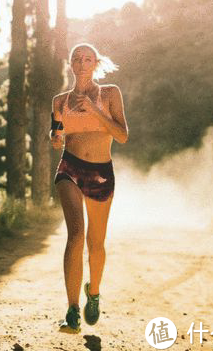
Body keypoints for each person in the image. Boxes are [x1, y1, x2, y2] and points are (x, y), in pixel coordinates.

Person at [51, 43, 128, 333]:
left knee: (96, 244)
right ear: (71, 64)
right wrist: (55, 139)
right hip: (69, 168)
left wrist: (95, 112)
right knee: (76, 234)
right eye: (77, 59)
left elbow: (122, 135)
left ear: (95, 64)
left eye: (88, 59)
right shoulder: (59, 101)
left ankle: (93, 292)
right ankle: (71, 310)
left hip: (100, 173)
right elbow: (56, 132)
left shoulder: (110, 93)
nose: (82, 63)